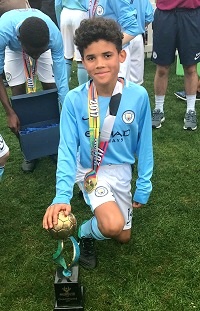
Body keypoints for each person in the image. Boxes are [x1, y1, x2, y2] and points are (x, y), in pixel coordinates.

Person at [43, 17, 153, 270]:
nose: (100, 64)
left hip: (122, 170)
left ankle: (91, 224)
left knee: (122, 237)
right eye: (91, 58)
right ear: (83, 61)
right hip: (91, 171)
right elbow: (67, 149)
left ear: (121, 56)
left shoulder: (138, 96)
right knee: (112, 225)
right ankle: (83, 231)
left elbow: (145, 144)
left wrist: (144, 184)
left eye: (107, 55)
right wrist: (62, 194)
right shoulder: (74, 100)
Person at [0, 8, 68, 172]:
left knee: (51, 89)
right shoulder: (3, 33)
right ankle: (29, 151)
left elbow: (62, 79)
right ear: (20, 40)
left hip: (39, 44)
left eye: (39, 53)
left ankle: (53, 144)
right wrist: (9, 112)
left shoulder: (53, 36)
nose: (35, 58)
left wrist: (66, 109)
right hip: (12, 48)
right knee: (18, 96)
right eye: (33, 54)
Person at [151, 0, 200, 131]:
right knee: (162, 67)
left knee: (190, 68)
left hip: (191, 14)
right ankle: (158, 109)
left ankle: (190, 110)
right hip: (165, 15)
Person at [88, 0, 139, 79]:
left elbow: (133, 28)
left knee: (117, 89)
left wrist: (110, 46)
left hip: (115, 56)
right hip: (98, 54)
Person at [55, 0, 88, 87]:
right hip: (81, 13)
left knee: (66, 56)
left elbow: (57, 4)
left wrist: (60, 22)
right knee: (81, 57)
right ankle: (83, 90)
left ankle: (64, 89)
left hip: (65, 13)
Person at [129, 0, 154, 84]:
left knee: (116, 80)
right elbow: (149, 16)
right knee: (136, 80)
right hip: (136, 36)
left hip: (115, 37)